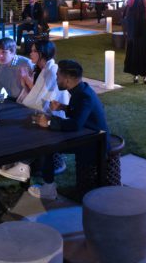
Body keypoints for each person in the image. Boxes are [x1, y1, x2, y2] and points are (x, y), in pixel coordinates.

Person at [29, 59, 110, 200]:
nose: (56, 79)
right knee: (48, 140)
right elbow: (80, 114)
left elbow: (75, 124)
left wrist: (49, 122)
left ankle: (49, 189)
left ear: (67, 80)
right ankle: (47, 184)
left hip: (95, 142)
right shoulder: (81, 90)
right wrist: (62, 107)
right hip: (86, 135)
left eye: (58, 76)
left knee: (48, 145)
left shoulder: (84, 96)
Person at [0, 40, 70, 181]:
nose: (30, 53)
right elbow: (37, 93)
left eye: (34, 51)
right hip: (42, 111)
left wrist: (26, 80)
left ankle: (23, 165)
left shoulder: (51, 70)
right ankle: (13, 159)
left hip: (54, 117)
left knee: (24, 124)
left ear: (42, 53)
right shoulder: (41, 70)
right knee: (15, 120)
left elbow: (45, 98)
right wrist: (25, 84)